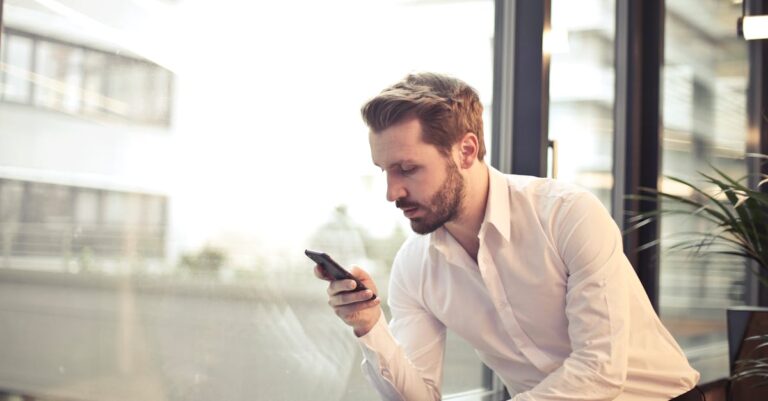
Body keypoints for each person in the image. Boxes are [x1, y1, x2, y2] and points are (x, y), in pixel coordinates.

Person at [314, 72, 701, 400]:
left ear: (466, 150)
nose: (391, 192)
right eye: (385, 170)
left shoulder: (567, 215)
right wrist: (369, 325)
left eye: (408, 169)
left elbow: (600, 371)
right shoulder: (415, 266)